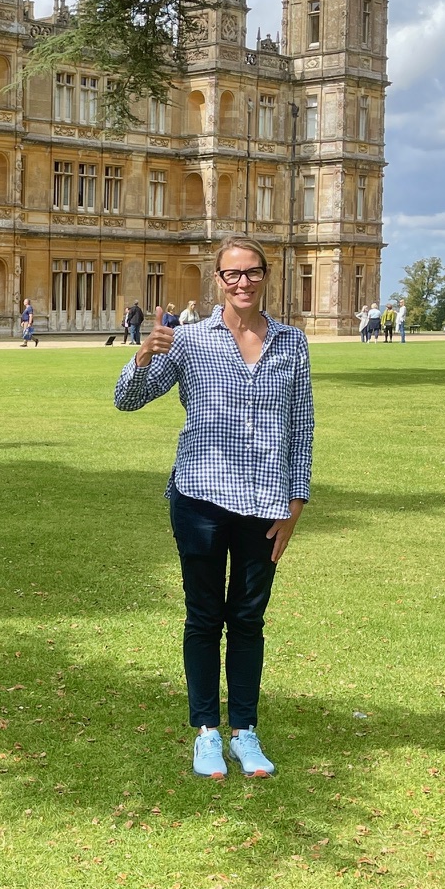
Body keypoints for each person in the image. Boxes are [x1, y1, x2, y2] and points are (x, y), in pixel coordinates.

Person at [114, 233, 313, 783]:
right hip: (200, 497)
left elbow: (302, 428)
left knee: (248, 619)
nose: (243, 282)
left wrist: (295, 504)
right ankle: (206, 730)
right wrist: (143, 355)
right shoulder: (190, 340)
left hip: (265, 502)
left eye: (252, 272)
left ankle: (244, 731)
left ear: (265, 276)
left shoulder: (292, 343)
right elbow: (127, 400)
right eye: (232, 274)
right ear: (218, 280)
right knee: (203, 617)